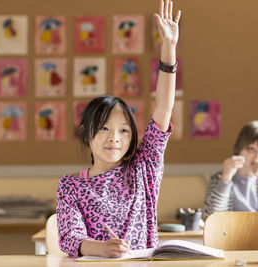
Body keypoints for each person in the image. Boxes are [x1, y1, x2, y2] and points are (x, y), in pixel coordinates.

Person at [56, 0, 181, 258]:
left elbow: (164, 107)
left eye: (124, 130)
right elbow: (70, 238)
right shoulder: (71, 186)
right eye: (104, 129)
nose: (114, 138)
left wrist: (168, 48)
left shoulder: (143, 169)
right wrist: (102, 249)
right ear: (85, 133)